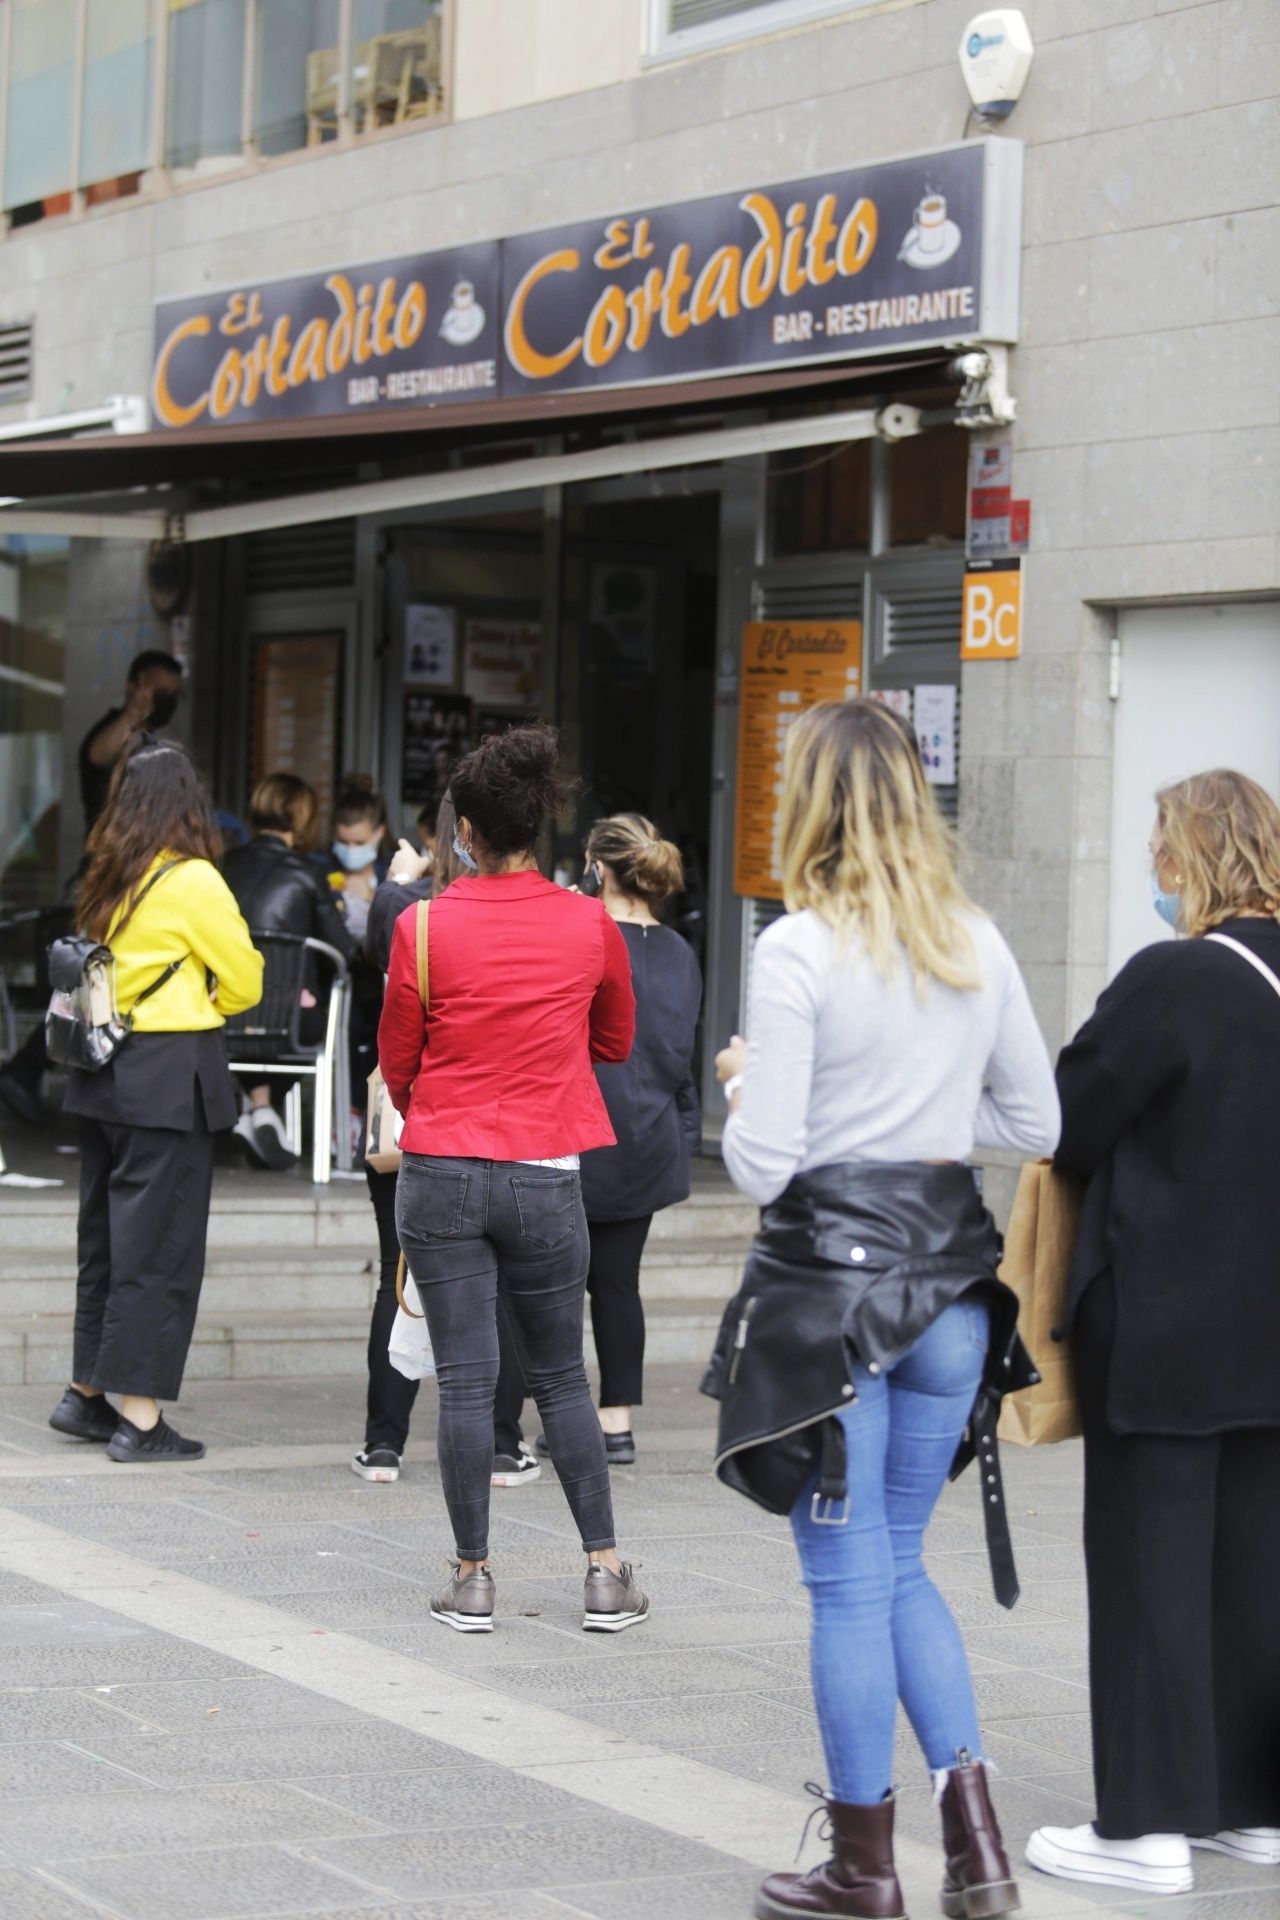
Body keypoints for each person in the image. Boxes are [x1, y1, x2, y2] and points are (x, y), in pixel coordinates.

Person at [709, 699, 1059, 1920]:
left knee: (847, 1587)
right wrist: (922, 1131)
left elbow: (760, 1166)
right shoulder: (975, 941)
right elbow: (1037, 1125)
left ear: (807, 803)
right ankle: (978, 1853)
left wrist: (747, 1081)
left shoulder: (796, 949)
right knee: (899, 1565)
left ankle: (862, 1869)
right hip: (953, 1299)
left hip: (833, 1311)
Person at [1028, 769, 1280, 1896]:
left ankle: (1143, 1829)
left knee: (1148, 1566)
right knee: (1253, 1571)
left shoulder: (1173, 976)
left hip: (1168, 1323)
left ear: (1186, 854)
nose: (1150, 869)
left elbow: (1066, 1120)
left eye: (1156, 847)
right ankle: (1249, 1809)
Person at [378, 723, 650, 1636]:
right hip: (544, 1168)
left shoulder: (419, 926)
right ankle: (605, 1573)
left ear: (465, 835)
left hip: (443, 1165)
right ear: (538, 826)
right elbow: (614, 1039)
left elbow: (399, 1063)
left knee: (464, 1381)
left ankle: (472, 1579)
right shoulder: (587, 922)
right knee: (564, 1379)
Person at [47, 738, 262, 1463]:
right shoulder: (194, 879)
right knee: (159, 1248)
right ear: (186, 803)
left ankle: (86, 1394)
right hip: (169, 1074)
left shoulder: (108, 873)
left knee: (104, 1243)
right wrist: (211, 992)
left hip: (103, 1070)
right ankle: (139, 1418)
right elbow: (246, 979)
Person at [354, 795, 536, 1488]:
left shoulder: (402, 905)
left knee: (397, 1276)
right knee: (506, 1284)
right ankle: (498, 1441)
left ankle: (383, 1443)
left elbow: (379, 968)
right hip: (494, 1119)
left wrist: (403, 877)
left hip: (412, 1119)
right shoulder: (527, 916)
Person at [576, 814, 702, 1465]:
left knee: (551, 1285)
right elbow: (677, 1054)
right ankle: (616, 1424)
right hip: (647, 1137)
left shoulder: (585, 936)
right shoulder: (680, 952)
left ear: (598, 866)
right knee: (618, 1284)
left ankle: (556, 1420)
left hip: (578, 1132)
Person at [221, 774, 355, 1169]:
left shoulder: (224, 865)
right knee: (339, 1009)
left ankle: (259, 1110)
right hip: (292, 1023)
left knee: (253, 1028)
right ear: (302, 817)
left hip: (227, 1013)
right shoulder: (309, 874)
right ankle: (264, 1112)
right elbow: (343, 951)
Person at [327, 776, 390, 1159]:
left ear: (378, 833)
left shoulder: (394, 874)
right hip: (338, 978)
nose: (351, 851)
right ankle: (345, 1120)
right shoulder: (324, 875)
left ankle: (375, 1119)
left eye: (360, 843)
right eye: (344, 842)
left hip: (380, 978)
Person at [80, 651, 184, 838]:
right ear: (132, 687)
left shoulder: (149, 738)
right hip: (108, 861)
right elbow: (97, 756)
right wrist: (134, 711)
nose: (167, 701)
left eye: (174, 694)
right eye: (160, 693)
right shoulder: (112, 730)